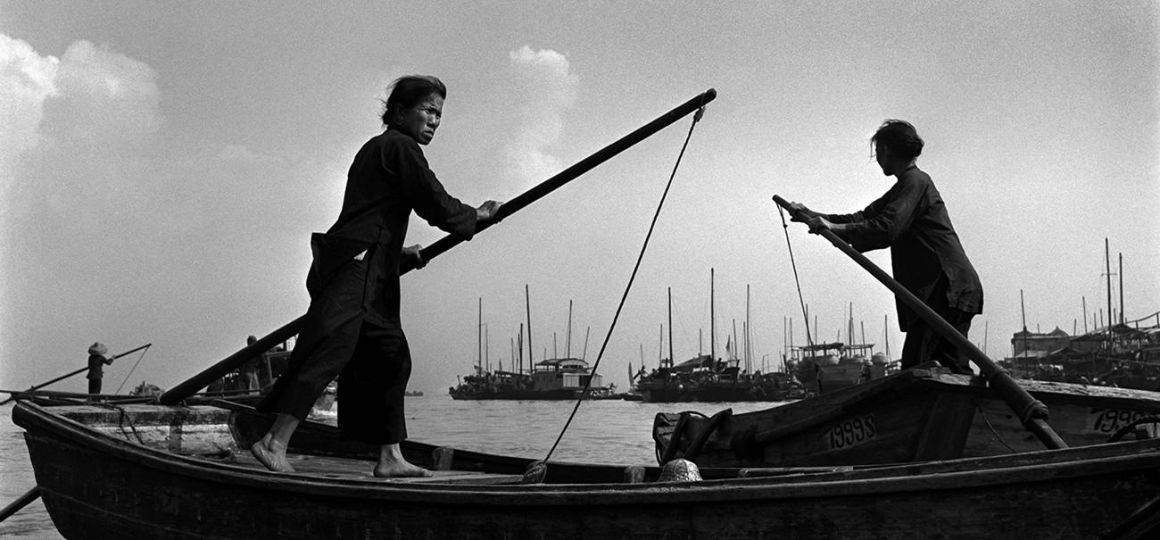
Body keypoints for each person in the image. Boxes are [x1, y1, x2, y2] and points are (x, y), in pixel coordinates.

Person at [252, 75, 502, 477]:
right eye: (428, 110)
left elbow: (372, 214)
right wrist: (476, 215)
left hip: (374, 268)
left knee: (389, 357)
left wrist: (400, 253)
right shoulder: (398, 147)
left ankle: (389, 457)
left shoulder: (379, 150)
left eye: (439, 114)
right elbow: (433, 203)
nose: (435, 120)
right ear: (400, 112)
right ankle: (273, 442)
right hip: (357, 268)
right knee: (328, 352)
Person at [789, 120, 982, 374]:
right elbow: (861, 219)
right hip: (944, 290)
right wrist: (811, 215)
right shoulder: (906, 186)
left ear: (887, 151)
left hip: (946, 289)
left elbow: (886, 228)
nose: (877, 159)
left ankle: (953, 411)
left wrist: (833, 228)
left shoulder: (916, 182)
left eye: (878, 152)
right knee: (940, 368)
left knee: (923, 370)